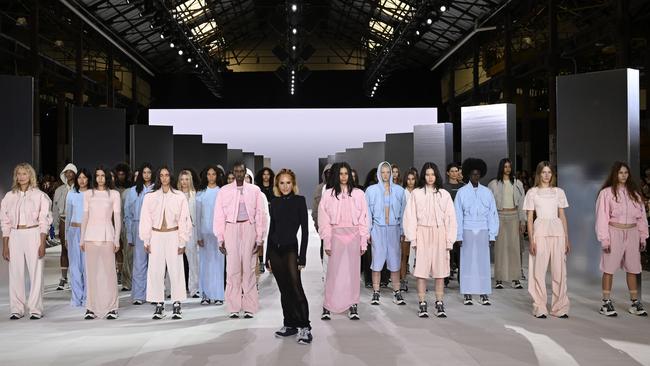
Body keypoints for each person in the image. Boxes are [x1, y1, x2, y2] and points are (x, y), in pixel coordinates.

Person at [214, 162, 267, 319]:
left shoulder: (255, 190)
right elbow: (219, 215)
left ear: (245, 173)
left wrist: (260, 238)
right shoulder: (224, 191)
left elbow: (260, 214)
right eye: (236, 171)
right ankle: (233, 307)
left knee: (249, 269)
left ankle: (250, 306)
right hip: (231, 228)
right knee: (232, 269)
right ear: (233, 172)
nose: (239, 173)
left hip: (249, 228)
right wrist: (220, 238)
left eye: (241, 171)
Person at [403, 162, 456, 318]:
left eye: (432, 174)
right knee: (422, 271)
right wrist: (413, 239)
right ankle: (422, 303)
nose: (430, 177)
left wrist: (449, 240)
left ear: (437, 175)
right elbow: (410, 217)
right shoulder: (417, 194)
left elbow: (451, 218)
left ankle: (439, 303)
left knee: (440, 271)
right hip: (422, 232)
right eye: (427, 174)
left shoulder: (444, 194)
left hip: (440, 233)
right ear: (423, 176)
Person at [265, 169, 312, 344]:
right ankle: (290, 324)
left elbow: (305, 232)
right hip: (275, 251)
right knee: (284, 290)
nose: (285, 186)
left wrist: (303, 256)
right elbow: (272, 230)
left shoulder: (300, 201)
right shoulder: (275, 202)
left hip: (291, 249)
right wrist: (266, 257)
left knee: (295, 287)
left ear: (293, 184)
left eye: (288, 183)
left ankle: (305, 327)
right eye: (282, 183)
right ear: (278, 185)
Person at [596, 162, 648, 316]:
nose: (623, 175)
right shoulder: (606, 193)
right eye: (620, 173)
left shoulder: (635, 194)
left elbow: (641, 217)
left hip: (632, 233)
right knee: (609, 267)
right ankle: (606, 302)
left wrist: (643, 236)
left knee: (633, 267)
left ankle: (634, 302)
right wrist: (605, 239)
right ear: (615, 174)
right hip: (614, 231)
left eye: (626, 172)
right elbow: (602, 217)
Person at [318, 162, 369, 320]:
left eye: (346, 173)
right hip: (335, 235)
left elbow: (364, 219)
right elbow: (323, 220)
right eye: (341, 173)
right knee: (333, 273)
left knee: (353, 273)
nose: (344, 177)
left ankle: (353, 304)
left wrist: (363, 241)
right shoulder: (328, 194)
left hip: (354, 235)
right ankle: (328, 305)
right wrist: (327, 241)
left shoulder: (359, 194)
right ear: (336, 175)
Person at [1, 163, 52, 320]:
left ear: (31, 176)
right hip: (15, 235)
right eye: (19, 174)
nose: (21, 177)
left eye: (25, 174)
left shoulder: (40, 196)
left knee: (36, 272)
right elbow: (5, 222)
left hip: (34, 233)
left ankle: (35, 309)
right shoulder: (9, 196)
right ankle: (17, 309)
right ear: (15, 176)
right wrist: (5, 246)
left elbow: (44, 221)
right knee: (15, 273)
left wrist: (42, 243)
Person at [140, 167, 191, 320]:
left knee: (176, 270)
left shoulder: (179, 196)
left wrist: (182, 242)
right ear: (158, 177)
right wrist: (146, 239)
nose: (164, 178)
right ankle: (159, 304)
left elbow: (184, 219)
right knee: (155, 271)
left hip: (174, 235)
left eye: (167, 175)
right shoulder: (150, 197)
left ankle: (177, 304)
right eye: (161, 175)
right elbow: (145, 219)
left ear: (171, 177)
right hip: (156, 235)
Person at [523, 161, 570, 319]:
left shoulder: (559, 192)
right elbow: (529, 218)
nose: (546, 175)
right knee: (538, 271)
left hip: (557, 233)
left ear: (553, 174)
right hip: (540, 233)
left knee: (559, 271)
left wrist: (567, 239)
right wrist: (531, 240)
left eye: (549, 172)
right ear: (538, 174)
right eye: (543, 172)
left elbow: (562, 216)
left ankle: (560, 307)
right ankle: (540, 306)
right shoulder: (532, 193)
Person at [455, 158, 499, 306]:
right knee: (467, 262)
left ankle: (483, 292)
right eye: (473, 174)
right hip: (467, 229)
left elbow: (492, 214)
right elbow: (458, 215)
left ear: (481, 175)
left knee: (483, 262)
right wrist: (458, 235)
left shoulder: (487, 192)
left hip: (483, 229)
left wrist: (492, 234)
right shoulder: (461, 192)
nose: (475, 176)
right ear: (468, 175)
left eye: (478, 174)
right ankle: (467, 293)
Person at [80, 166, 121, 320]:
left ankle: (112, 307)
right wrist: (81, 238)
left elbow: (117, 218)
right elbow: (85, 217)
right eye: (97, 175)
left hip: (108, 236)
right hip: (90, 237)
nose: (100, 178)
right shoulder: (88, 194)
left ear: (107, 177)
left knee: (110, 274)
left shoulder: (114, 194)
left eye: (103, 175)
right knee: (91, 274)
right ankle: (91, 308)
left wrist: (117, 239)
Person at [365, 161, 407, 306]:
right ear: (378, 173)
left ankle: (397, 292)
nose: (385, 174)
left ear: (391, 173)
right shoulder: (371, 191)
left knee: (395, 260)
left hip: (394, 229)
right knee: (377, 260)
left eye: (387, 172)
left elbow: (403, 213)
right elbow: (367, 214)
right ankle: (376, 292)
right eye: (382, 172)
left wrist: (402, 230)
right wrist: (368, 231)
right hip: (377, 228)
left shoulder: (400, 191)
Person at [488, 158, 526, 289]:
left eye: (509, 166)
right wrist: (490, 223)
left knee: (514, 248)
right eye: (505, 167)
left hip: (514, 215)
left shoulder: (517, 183)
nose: (507, 169)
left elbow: (522, 203)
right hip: (499, 216)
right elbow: (490, 205)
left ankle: (515, 278)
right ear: (501, 168)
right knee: (500, 248)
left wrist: (523, 220)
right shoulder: (493, 184)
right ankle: (499, 278)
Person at [124, 163, 155, 305]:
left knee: (154, 262)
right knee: (139, 262)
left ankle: (154, 294)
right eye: (144, 172)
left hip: (154, 229)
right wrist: (130, 235)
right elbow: (128, 215)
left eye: (149, 172)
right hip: (137, 227)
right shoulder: (133, 191)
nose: (147, 175)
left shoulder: (157, 189)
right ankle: (138, 295)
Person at [196, 166, 225, 305]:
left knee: (219, 264)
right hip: (204, 233)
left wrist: (224, 236)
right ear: (205, 176)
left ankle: (219, 294)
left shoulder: (222, 192)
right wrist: (198, 236)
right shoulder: (201, 193)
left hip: (218, 234)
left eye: (214, 174)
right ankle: (206, 294)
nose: (211, 177)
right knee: (205, 264)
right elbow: (197, 216)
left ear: (217, 176)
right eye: (209, 174)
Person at [65, 168, 91, 308]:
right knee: (75, 266)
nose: (82, 180)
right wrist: (66, 237)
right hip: (73, 231)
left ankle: (87, 297)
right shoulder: (71, 194)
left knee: (87, 266)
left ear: (88, 179)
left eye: (85, 177)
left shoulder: (93, 194)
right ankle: (76, 298)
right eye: (79, 177)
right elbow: (68, 216)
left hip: (89, 232)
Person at [53, 163, 77, 290]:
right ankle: (63, 278)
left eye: (71, 172)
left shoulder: (79, 189)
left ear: (75, 174)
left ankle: (75, 277)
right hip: (63, 220)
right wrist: (55, 229)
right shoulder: (59, 190)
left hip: (76, 222)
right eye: (66, 172)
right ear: (64, 174)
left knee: (76, 250)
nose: (69, 174)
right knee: (64, 249)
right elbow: (55, 210)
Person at [178, 169, 200, 298]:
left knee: (193, 262)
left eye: (187, 179)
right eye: (182, 179)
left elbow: (196, 217)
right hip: (177, 232)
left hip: (191, 232)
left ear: (190, 180)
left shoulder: (194, 195)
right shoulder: (174, 195)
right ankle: (172, 290)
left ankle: (194, 289)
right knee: (175, 262)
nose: (184, 182)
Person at [442, 162, 464, 286]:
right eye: (452, 171)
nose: (455, 173)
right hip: (446, 223)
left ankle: (462, 278)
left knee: (460, 251)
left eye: (457, 171)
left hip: (460, 223)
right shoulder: (444, 187)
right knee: (447, 251)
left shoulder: (464, 187)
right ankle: (444, 277)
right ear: (448, 173)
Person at [113, 162, 133, 291]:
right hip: (112, 223)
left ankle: (127, 280)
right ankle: (118, 274)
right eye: (119, 174)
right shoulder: (112, 189)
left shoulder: (130, 190)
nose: (121, 176)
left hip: (125, 224)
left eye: (123, 174)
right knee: (115, 251)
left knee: (127, 253)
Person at [399, 168, 418, 292]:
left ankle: (420, 282)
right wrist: (402, 230)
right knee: (404, 256)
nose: (410, 181)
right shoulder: (402, 193)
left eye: (413, 179)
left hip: (418, 228)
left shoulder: (419, 192)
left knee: (420, 257)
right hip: (406, 227)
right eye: (409, 179)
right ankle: (403, 280)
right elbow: (401, 213)